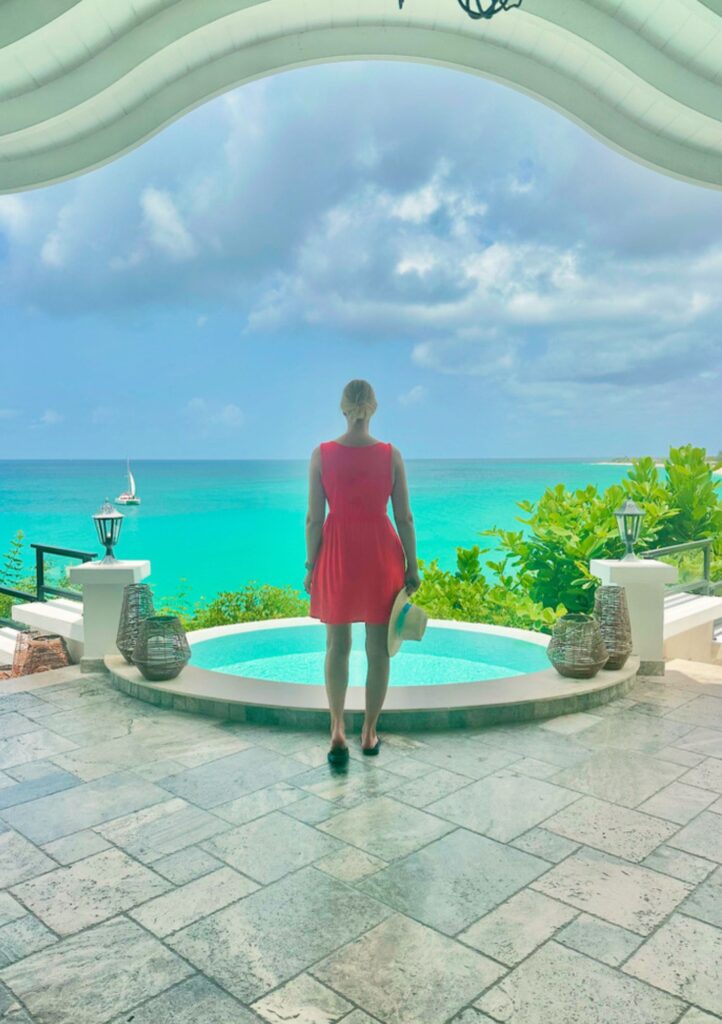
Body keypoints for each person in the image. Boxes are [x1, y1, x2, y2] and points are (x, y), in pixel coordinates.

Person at [304, 379, 420, 765]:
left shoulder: (321, 455)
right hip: (380, 555)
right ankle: (369, 733)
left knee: (337, 647)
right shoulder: (392, 455)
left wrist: (311, 566)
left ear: (343, 408)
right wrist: (412, 567)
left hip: (337, 555)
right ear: (374, 408)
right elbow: (403, 517)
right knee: (378, 650)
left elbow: (312, 521)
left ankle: (337, 729)